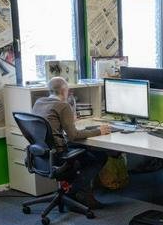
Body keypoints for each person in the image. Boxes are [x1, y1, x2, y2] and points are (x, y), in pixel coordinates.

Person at [32, 77, 112, 208]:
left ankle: (74, 190)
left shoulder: (39, 102)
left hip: (42, 153)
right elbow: (73, 136)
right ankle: (76, 190)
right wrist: (99, 131)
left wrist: (69, 121)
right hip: (58, 154)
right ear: (64, 91)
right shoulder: (63, 105)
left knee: (84, 150)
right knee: (99, 156)